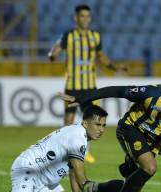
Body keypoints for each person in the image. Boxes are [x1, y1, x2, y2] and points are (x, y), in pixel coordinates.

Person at [48, 4, 127, 164]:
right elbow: (55, 51)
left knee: (93, 121)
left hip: (90, 87)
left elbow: (102, 56)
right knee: (68, 122)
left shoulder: (95, 36)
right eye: (82, 16)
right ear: (76, 18)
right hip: (72, 86)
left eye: (87, 16)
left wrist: (114, 66)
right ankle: (64, 153)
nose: (85, 19)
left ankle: (84, 152)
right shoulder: (68, 36)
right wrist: (53, 55)